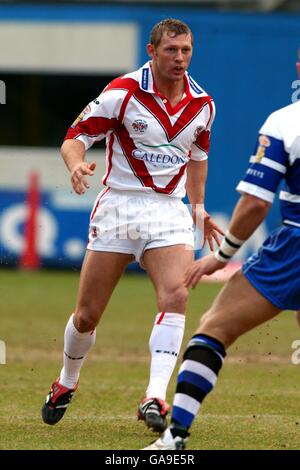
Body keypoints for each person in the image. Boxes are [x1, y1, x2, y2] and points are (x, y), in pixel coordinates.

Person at [41, 18, 223, 433]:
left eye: (186, 50)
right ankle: (67, 381)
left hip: (167, 211)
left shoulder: (203, 104)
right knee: (87, 316)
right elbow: (75, 137)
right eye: (171, 51)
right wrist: (75, 166)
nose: (180, 59)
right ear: (151, 51)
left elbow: (197, 156)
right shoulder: (122, 92)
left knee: (176, 296)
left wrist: (197, 207)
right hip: (120, 208)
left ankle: (155, 396)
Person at [144, 57, 300, 449]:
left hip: (294, 249)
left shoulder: (285, 121)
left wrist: (222, 253)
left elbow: (255, 204)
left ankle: (174, 437)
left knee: (213, 330)